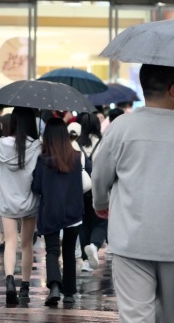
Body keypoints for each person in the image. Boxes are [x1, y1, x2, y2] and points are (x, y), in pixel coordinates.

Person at [91, 64, 174, 323]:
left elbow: (100, 174)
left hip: (130, 240)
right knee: (170, 316)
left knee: (136, 316)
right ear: (173, 89)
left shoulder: (121, 127)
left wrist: (101, 203)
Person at [0, 107, 42, 305]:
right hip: (30, 201)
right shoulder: (36, 146)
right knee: (26, 245)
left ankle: (9, 281)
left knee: (9, 242)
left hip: (7, 200)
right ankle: (24, 287)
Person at [32, 117, 89, 306]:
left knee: (52, 250)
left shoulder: (43, 159)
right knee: (70, 251)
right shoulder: (75, 156)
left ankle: (55, 285)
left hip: (51, 211)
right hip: (73, 210)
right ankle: (70, 292)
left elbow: (37, 187)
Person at [75, 112, 105, 272]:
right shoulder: (103, 143)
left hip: (80, 189)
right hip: (99, 188)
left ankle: (86, 261)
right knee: (101, 221)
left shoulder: (77, 143)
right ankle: (94, 245)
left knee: (84, 224)